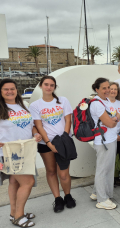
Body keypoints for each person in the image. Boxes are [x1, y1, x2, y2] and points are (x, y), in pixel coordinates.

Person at [0, 79, 42, 227]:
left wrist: (35, 134)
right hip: (8, 152)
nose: (10, 91)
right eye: (6, 89)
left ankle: (14, 212)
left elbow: (30, 125)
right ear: (0, 92)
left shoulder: (23, 105)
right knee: (28, 182)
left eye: (12, 89)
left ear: (16, 90)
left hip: (26, 150)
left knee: (14, 181)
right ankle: (19, 216)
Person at [29, 76, 75, 213]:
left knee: (64, 173)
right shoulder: (35, 105)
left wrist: (64, 139)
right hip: (45, 143)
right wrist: (49, 143)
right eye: (46, 84)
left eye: (52, 85)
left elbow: (68, 120)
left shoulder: (63, 101)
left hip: (63, 142)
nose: (49, 87)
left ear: (55, 87)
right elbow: (39, 126)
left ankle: (68, 195)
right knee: (51, 171)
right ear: (41, 86)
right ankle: (57, 198)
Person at [89, 78, 119, 210]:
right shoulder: (97, 104)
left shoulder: (106, 101)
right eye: (104, 88)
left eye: (109, 87)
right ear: (97, 90)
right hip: (103, 141)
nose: (107, 90)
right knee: (103, 169)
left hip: (109, 139)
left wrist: (114, 119)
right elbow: (111, 122)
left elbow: (115, 117)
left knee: (106, 168)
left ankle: (96, 192)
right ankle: (102, 199)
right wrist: (115, 119)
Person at [108, 82, 120, 186]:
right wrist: (113, 135)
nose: (113, 91)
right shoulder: (105, 103)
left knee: (119, 157)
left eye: (115, 89)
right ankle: (110, 179)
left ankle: (118, 177)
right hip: (108, 136)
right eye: (111, 89)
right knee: (109, 158)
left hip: (119, 135)